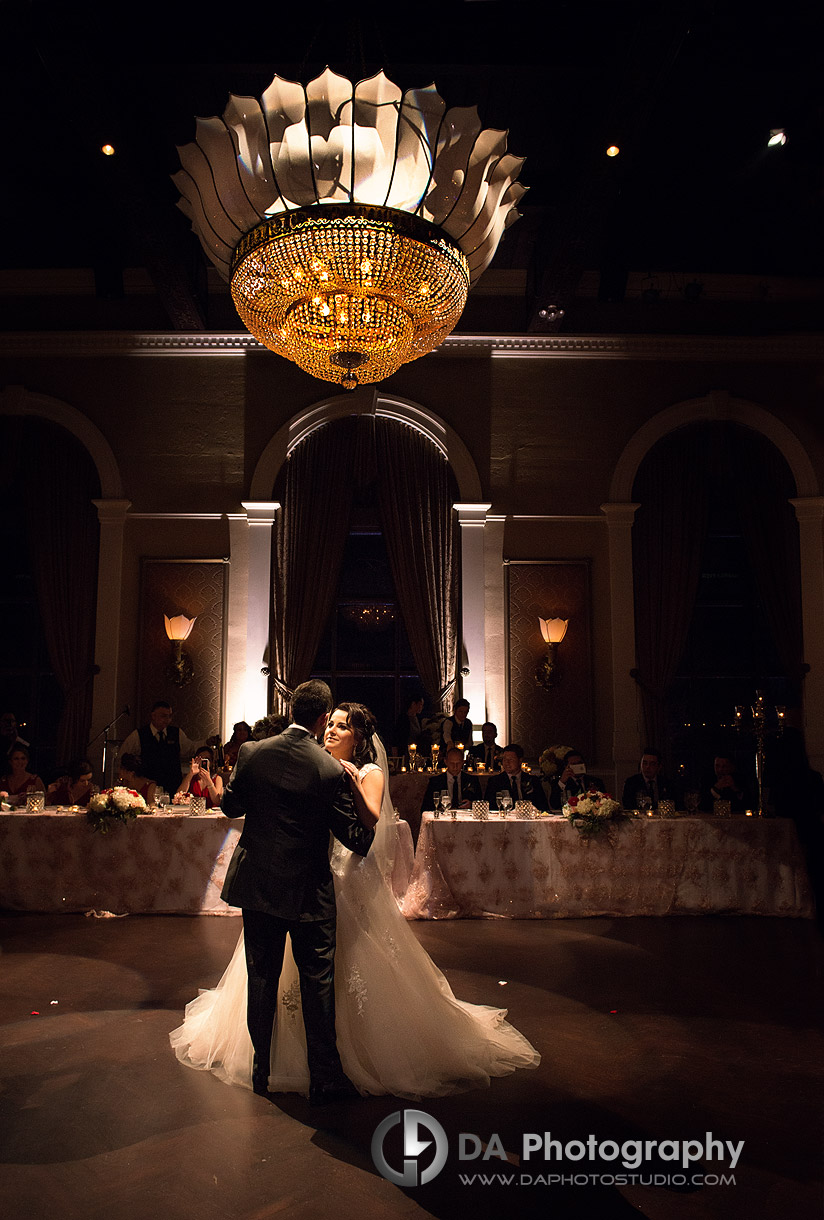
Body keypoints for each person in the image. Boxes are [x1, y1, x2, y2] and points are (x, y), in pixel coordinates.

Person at [170, 696, 540, 1099]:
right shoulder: (320, 766)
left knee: (308, 978)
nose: (332, 730)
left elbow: (364, 829)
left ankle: (303, 1065)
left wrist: (346, 788)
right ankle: (303, 1067)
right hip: (310, 883)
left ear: (358, 736)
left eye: (342, 726)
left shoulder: (338, 768)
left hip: (325, 883)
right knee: (301, 979)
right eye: (332, 724)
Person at [204, 680, 374, 1103]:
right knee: (318, 983)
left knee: (262, 976)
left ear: (291, 708)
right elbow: (355, 838)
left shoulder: (252, 752)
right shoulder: (329, 769)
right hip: (307, 892)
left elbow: (230, 807)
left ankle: (261, 1070)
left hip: (258, 883)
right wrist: (361, 803)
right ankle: (324, 1079)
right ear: (321, 719)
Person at [120, 701, 196, 799]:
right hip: (149, 787)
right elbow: (124, 756)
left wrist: (206, 743)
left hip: (173, 785)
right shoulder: (139, 735)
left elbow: (190, 749)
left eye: (169, 716)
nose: (167, 720)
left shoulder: (177, 733)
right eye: (163, 716)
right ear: (153, 716)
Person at [487, 744, 549, 811]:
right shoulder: (495, 781)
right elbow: (490, 807)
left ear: (520, 761)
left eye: (511, 759)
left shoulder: (533, 780)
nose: (507, 763)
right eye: (504, 759)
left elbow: (543, 806)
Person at [422, 746, 482, 811]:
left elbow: (481, 803)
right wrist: (438, 809)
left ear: (463, 762)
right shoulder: (435, 781)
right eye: (452, 763)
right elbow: (426, 807)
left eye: (458, 763)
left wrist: (471, 805)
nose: (455, 767)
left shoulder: (472, 780)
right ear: (446, 762)